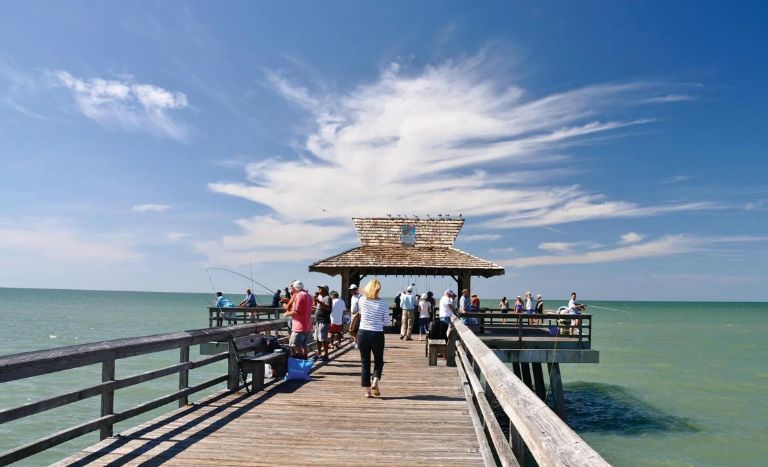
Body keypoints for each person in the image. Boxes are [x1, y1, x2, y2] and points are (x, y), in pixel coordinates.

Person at [357, 279, 390, 399]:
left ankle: (367, 391)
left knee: (365, 362)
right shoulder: (383, 303)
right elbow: (387, 322)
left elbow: (360, 312)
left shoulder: (362, 300)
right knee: (378, 360)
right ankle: (375, 381)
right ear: (378, 290)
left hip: (362, 333)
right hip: (377, 334)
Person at [283, 280, 312, 359]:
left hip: (299, 327)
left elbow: (296, 311)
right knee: (304, 345)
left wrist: (286, 314)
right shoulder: (308, 295)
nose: (291, 288)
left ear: (295, 287)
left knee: (293, 345)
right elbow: (302, 309)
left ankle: (300, 362)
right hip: (307, 325)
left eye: (292, 287)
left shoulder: (299, 295)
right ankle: (305, 361)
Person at [313, 285, 332, 361]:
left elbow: (328, 308)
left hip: (324, 321)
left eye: (320, 288)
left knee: (323, 339)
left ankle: (326, 355)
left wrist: (318, 301)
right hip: (318, 321)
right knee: (318, 338)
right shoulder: (321, 297)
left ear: (325, 290)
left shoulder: (327, 298)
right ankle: (319, 354)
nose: (318, 289)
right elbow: (319, 307)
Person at [349, 284, 361, 349]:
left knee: (357, 329)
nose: (351, 291)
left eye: (352, 290)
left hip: (357, 315)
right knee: (353, 328)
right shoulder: (352, 297)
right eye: (350, 290)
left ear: (356, 289)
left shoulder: (360, 296)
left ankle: (357, 343)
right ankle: (354, 341)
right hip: (352, 314)